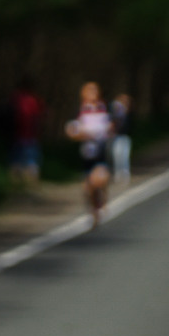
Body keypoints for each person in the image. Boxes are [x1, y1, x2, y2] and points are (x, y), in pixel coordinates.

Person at [66, 82, 115, 227]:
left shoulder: (104, 108)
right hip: (87, 153)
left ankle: (103, 200)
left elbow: (112, 127)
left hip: (100, 152)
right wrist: (82, 134)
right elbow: (71, 130)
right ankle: (94, 212)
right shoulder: (80, 110)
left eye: (94, 90)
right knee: (88, 188)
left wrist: (106, 131)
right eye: (89, 91)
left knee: (99, 180)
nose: (92, 93)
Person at [10, 80, 44, 182]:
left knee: (17, 158)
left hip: (17, 134)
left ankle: (16, 179)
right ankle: (30, 179)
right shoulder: (33, 100)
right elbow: (37, 118)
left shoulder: (15, 99)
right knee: (31, 159)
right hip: (29, 135)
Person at [108, 92, 133, 183]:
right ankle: (118, 174)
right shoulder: (115, 113)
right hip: (117, 137)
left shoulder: (128, 113)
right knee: (117, 155)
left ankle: (125, 174)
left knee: (125, 156)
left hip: (125, 137)